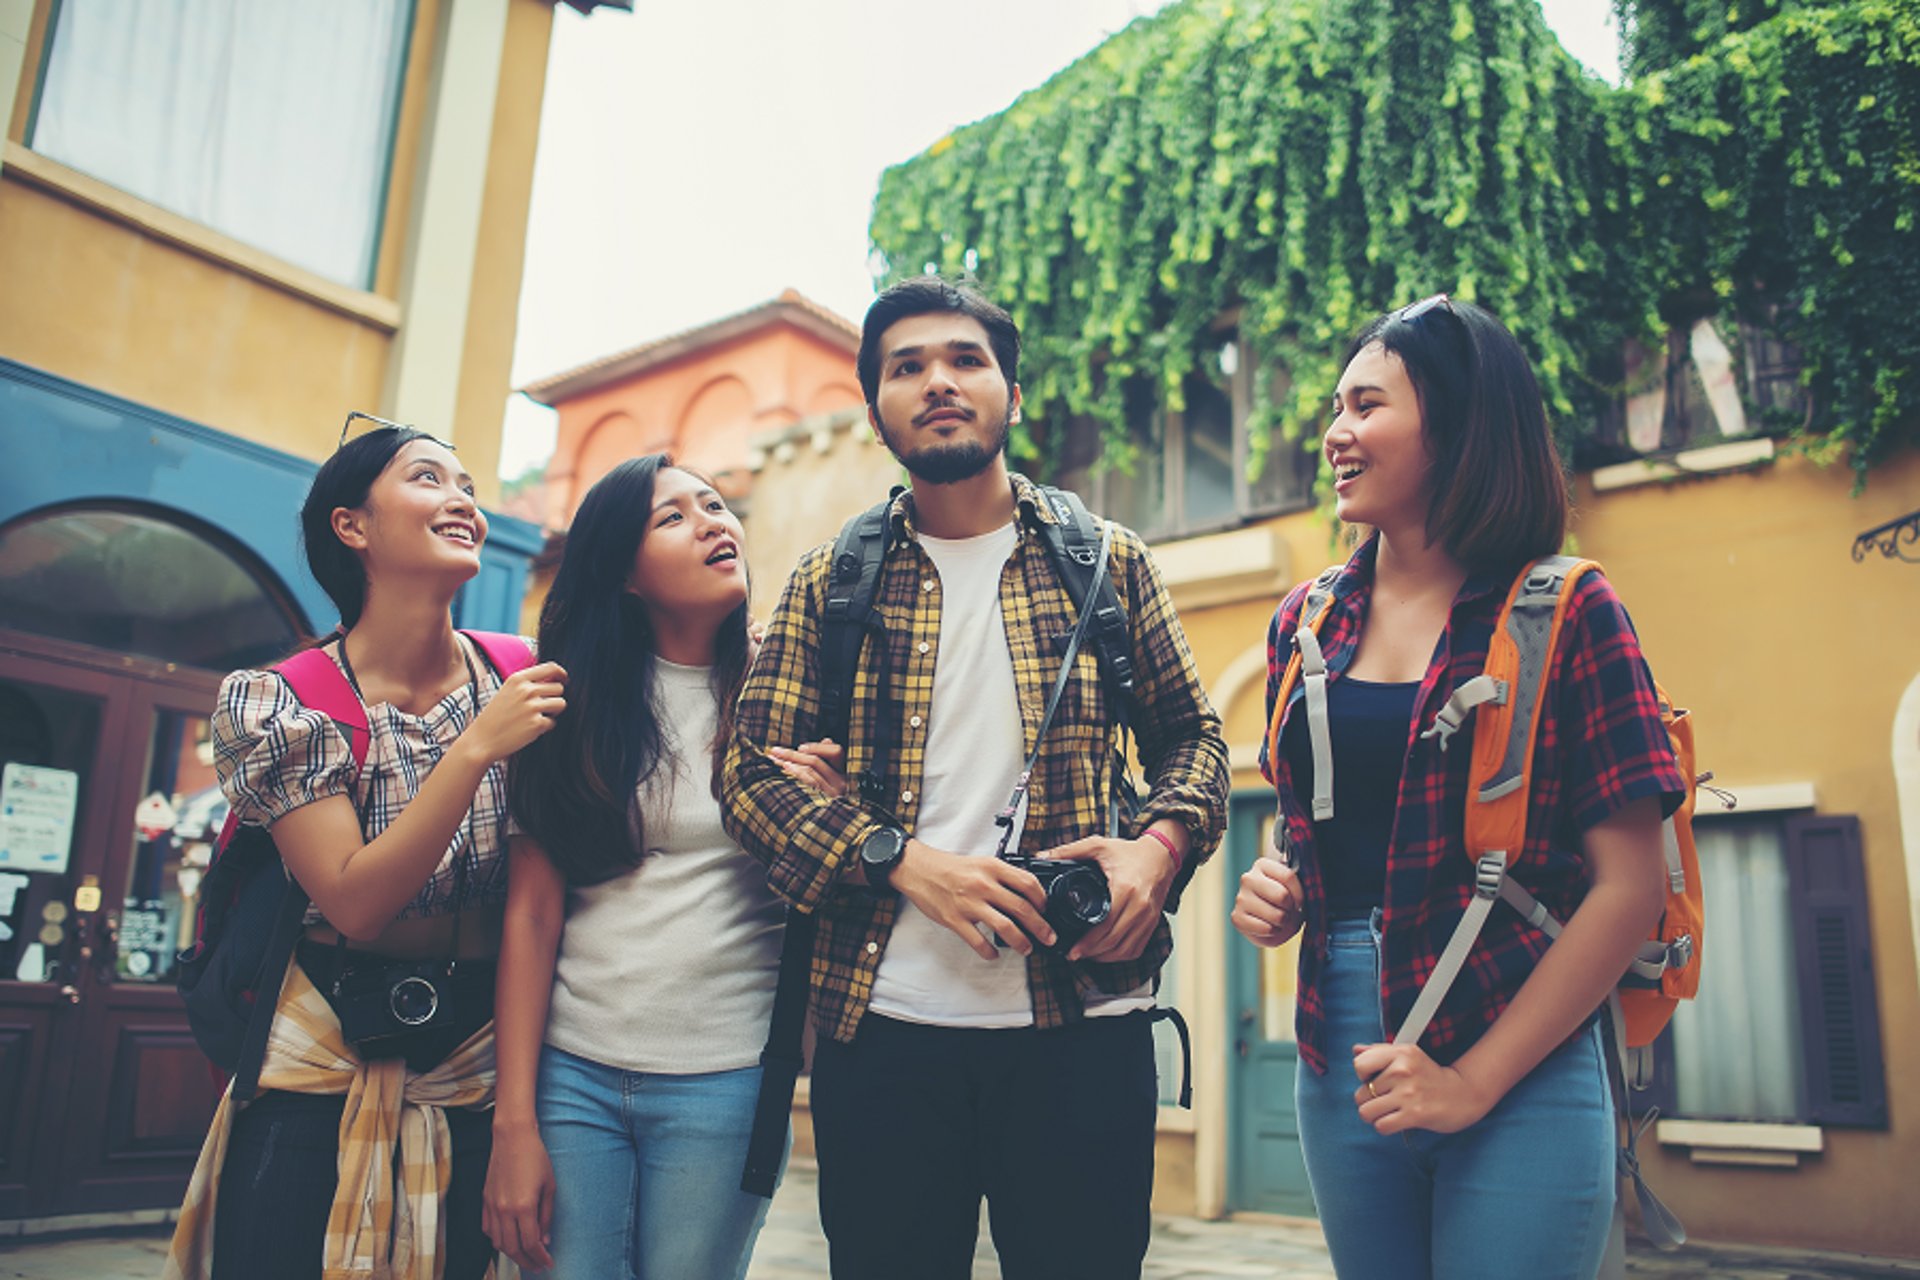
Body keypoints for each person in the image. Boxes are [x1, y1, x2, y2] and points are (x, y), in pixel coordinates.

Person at [721, 277, 1230, 1280]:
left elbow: (1196, 738)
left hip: (1085, 1025)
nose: (938, 381)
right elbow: (746, 775)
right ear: (876, 411)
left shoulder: (1106, 561)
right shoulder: (833, 579)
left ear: (1013, 391)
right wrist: (900, 861)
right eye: (906, 368)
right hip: (884, 1031)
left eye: (965, 359)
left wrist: (1157, 850)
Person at [1231, 296, 1687, 1280]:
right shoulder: (1305, 622)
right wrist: (1281, 883)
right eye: (1336, 407)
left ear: (1457, 421)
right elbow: (1324, 830)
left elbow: (1628, 885)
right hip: (1338, 1046)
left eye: (1366, 404)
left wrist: (1473, 1081)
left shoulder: (1568, 608)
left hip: (1516, 1044)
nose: (1333, 431)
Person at [167, 423, 567, 1280]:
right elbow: (354, 900)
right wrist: (472, 751)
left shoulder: (524, 674)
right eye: (429, 478)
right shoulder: (279, 702)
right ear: (352, 527)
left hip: (479, 1060)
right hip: (318, 1055)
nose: (464, 500)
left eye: (468, 485)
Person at [481, 455, 842, 1279]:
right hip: (571, 1075)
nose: (714, 522)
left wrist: (823, 811)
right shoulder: (566, 704)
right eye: (672, 516)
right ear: (625, 574)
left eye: (714, 505)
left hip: (729, 1077)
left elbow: (836, 888)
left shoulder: (791, 693)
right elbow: (532, 916)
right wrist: (514, 1123)